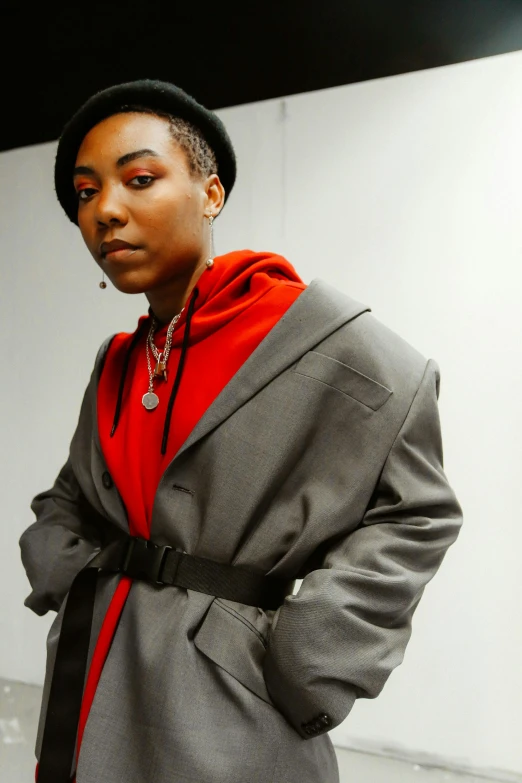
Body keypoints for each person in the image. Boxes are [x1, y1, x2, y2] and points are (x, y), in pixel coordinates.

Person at [19, 79, 463, 783]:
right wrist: (65, 570)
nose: (105, 211)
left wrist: (309, 658)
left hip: (227, 703)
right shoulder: (120, 360)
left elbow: (418, 510)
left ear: (211, 192)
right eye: (84, 193)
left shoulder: (318, 340)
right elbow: (73, 492)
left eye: (139, 178)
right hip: (93, 670)